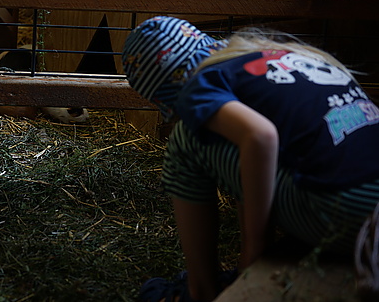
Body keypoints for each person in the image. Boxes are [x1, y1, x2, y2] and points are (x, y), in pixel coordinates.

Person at [122, 16, 379, 302]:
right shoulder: (280, 55)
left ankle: (200, 291)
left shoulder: (198, 82)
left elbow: (260, 137)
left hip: (352, 213)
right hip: (372, 200)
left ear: (170, 89)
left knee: (187, 138)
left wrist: (253, 252)